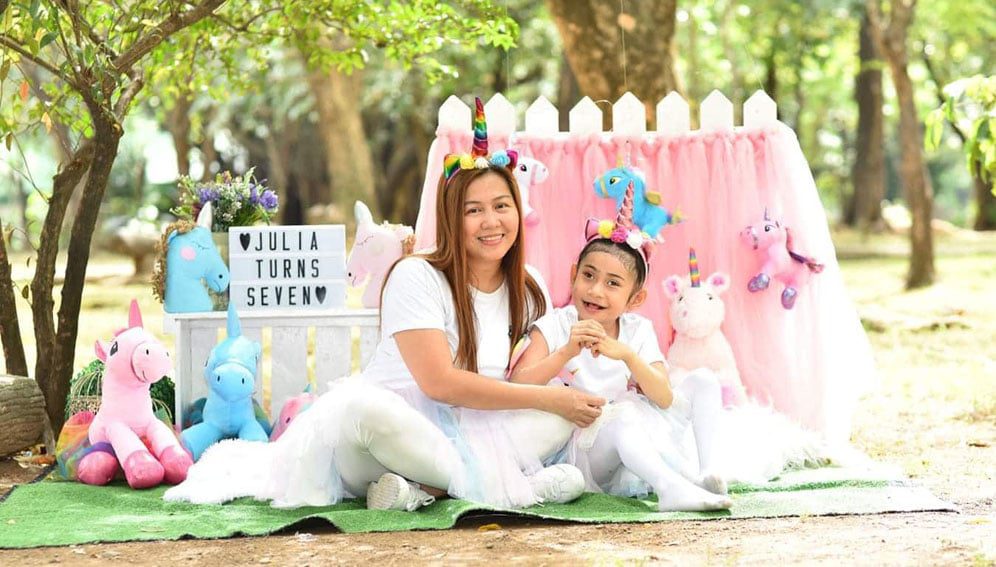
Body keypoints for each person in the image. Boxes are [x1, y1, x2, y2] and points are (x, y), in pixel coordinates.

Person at [166, 98, 604, 511]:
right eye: (474, 210)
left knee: (563, 412)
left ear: (518, 211)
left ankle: (423, 489)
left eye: (501, 206)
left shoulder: (531, 288)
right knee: (360, 411)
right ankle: (510, 486)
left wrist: (557, 396)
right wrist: (545, 400)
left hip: (477, 429)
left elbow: (523, 380)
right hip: (393, 434)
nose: (491, 222)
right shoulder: (417, 276)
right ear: (452, 218)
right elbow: (439, 384)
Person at [509, 185, 732, 512]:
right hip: (587, 446)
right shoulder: (556, 324)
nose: (596, 290)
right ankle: (670, 489)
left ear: (635, 299)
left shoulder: (637, 329)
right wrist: (567, 351)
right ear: (574, 275)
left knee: (703, 380)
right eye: (588, 275)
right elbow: (517, 385)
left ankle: (707, 472)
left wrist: (627, 355)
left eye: (613, 283)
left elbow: (665, 397)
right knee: (623, 417)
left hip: (639, 433)